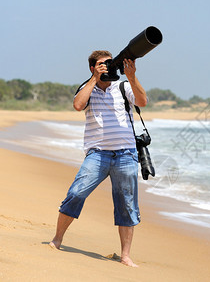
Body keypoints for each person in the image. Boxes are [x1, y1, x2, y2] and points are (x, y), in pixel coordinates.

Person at [49, 50, 147, 267]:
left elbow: (142, 101)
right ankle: (57, 239)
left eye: (110, 64)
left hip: (126, 154)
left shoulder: (123, 87)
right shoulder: (88, 88)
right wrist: (94, 79)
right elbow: (77, 105)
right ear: (92, 67)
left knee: (127, 205)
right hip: (97, 154)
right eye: (102, 64)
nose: (108, 67)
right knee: (76, 193)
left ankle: (125, 256)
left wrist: (131, 76)